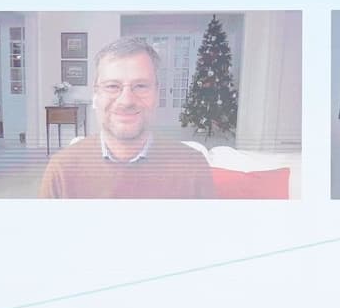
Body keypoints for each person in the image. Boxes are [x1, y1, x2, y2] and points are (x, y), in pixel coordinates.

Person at [39, 37, 214, 199]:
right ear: (96, 95)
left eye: (141, 86)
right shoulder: (61, 170)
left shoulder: (193, 167)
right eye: (112, 86)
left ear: (157, 94)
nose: (126, 101)